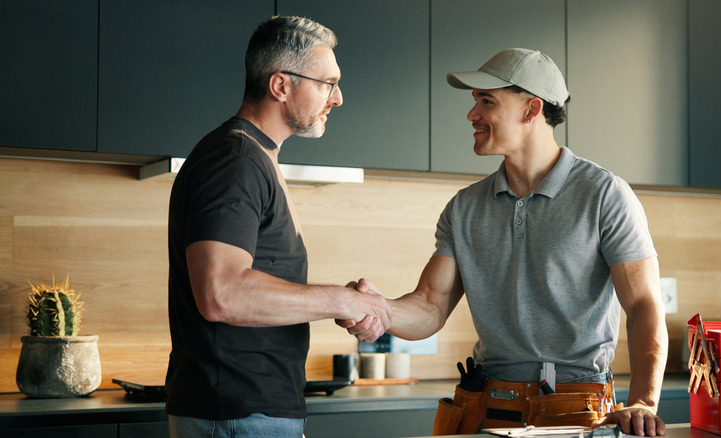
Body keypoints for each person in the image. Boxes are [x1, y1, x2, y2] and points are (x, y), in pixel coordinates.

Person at [344, 48, 668, 436]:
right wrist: (382, 311)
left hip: (576, 412)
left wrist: (643, 401)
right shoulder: (464, 207)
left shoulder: (604, 194)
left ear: (532, 109)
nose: (472, 115)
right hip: (485, 408)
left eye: (487, 101)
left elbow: (644, 304)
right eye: (475, 101)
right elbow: (430, 304)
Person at [166, 16, 393, 438]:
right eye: (328, 83)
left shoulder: (256, 157)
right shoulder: (234, 160)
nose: (338, 98)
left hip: (249, 412)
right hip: (236, 414)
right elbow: (222, 294)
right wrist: (340, 301)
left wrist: (339, 301)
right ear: (281, 86)